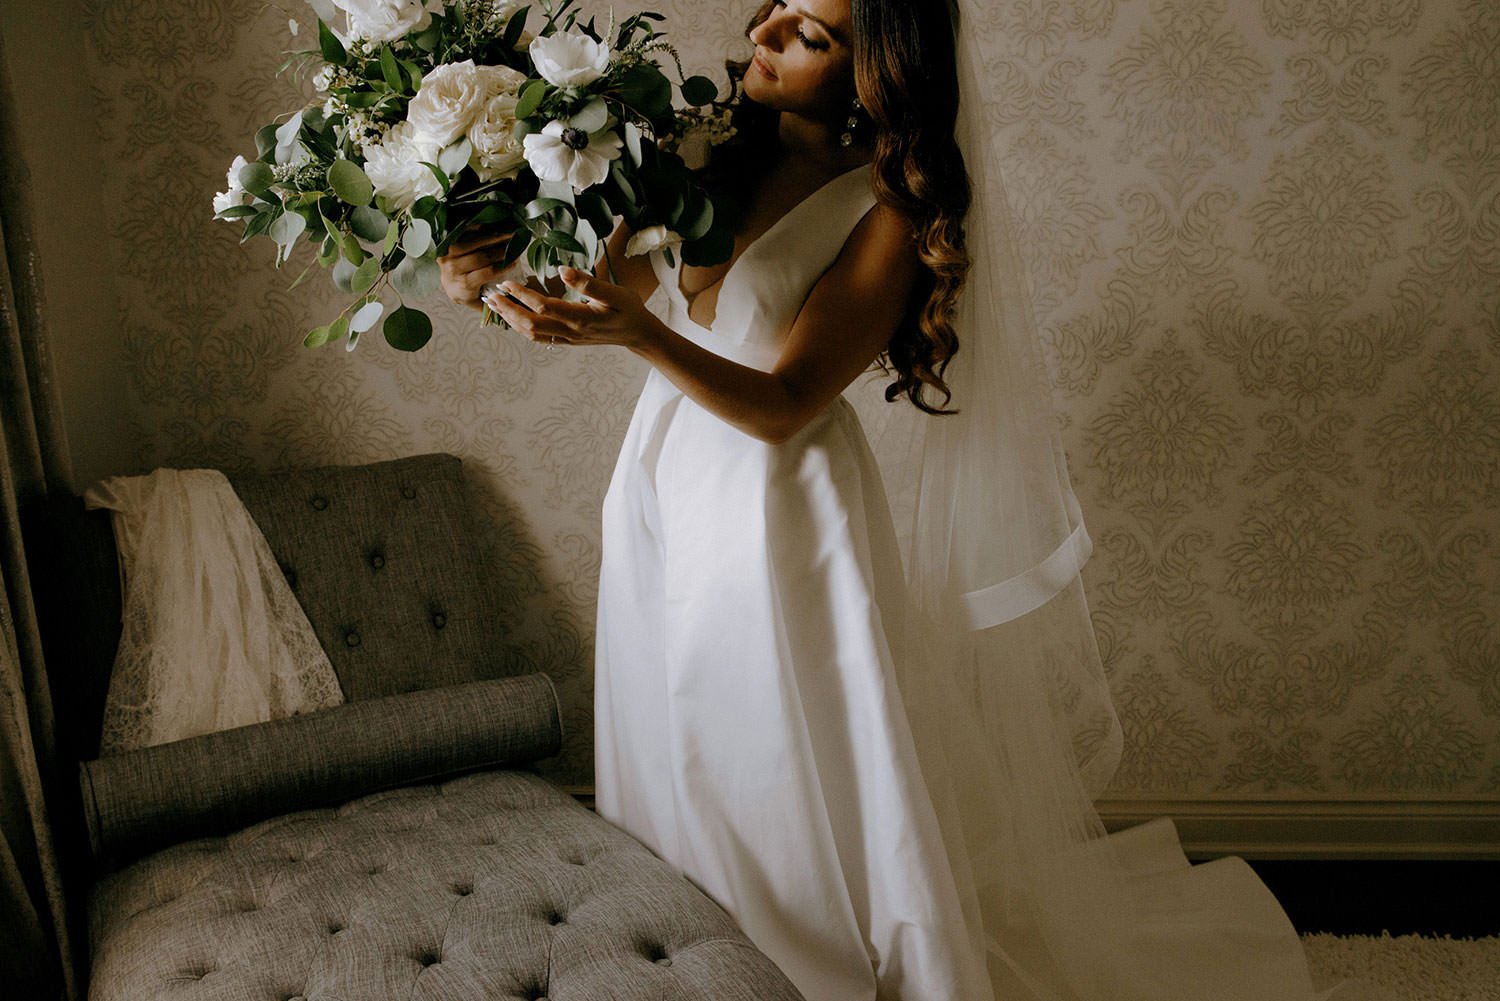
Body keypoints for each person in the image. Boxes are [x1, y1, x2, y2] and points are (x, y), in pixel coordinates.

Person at [441, 2, 1344, 999]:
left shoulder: (891, 206)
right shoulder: (699, 155)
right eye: (779, 9)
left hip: (780, 502)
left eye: (814, 35)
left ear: (872, 72)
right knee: (674, 736)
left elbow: (787, 401)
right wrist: (483, 283)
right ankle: (701, 968)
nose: (772, 35)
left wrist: (641, 340)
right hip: (666, 475)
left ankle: (818, 970)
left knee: (773, 752)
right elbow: (597, 302)